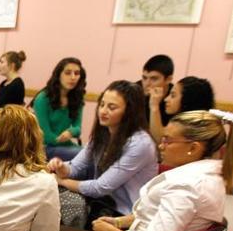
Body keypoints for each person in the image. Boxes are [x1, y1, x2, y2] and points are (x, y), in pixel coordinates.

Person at [50, 110, 233, 231]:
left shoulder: (187, 188)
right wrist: (119, 223)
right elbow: (158, 217)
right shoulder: (206, 178)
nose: (161, 146)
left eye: (167, 140)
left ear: (193, 148)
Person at [48, 80, 158, 217]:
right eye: (102, 105)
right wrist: (61, 167)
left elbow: (100, 187)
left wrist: (59, 180)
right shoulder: (104, 132)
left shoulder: (141, 143)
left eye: (112, 107)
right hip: (100, 204)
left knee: (55, 205)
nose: (103, 111)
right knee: (48, 199)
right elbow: (76, 167)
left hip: (124, 214)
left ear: (129, 112)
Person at [34, 57, 86, 161]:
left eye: (76, 73)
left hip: (66, 145)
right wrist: (66, 137)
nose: (73, 77)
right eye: (68, 73)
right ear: (58, 75)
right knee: (84, 155)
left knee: (94, 154)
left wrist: (71, 132)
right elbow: (45, 136)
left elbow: (78, 128)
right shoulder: (43, 98)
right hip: (45, 148)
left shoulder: (77, 98)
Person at [150, 76, 216, 142]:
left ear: (187, 100)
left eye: (173, 95)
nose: (166, 99)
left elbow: (160, 140)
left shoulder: (193, 127)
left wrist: (154, 106)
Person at [139, 54, 175, 142]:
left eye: (154, 79)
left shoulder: (175, 98)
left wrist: (154, 106)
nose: (147, 84)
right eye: (144, 78)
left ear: (168, 79)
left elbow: (161, 139)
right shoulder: (136, 91)